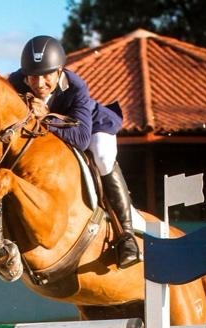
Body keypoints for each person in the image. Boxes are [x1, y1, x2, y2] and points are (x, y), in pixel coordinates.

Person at [8, 35, 141, 269]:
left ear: (59, 71)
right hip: (48, 133)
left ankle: (126, 237)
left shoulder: (76, 87)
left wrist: (44, 118)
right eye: (33, 77)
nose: (38, 84)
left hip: (92, 126)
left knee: (102, 156)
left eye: (46, 76)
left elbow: (80, 139)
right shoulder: (16, 82)